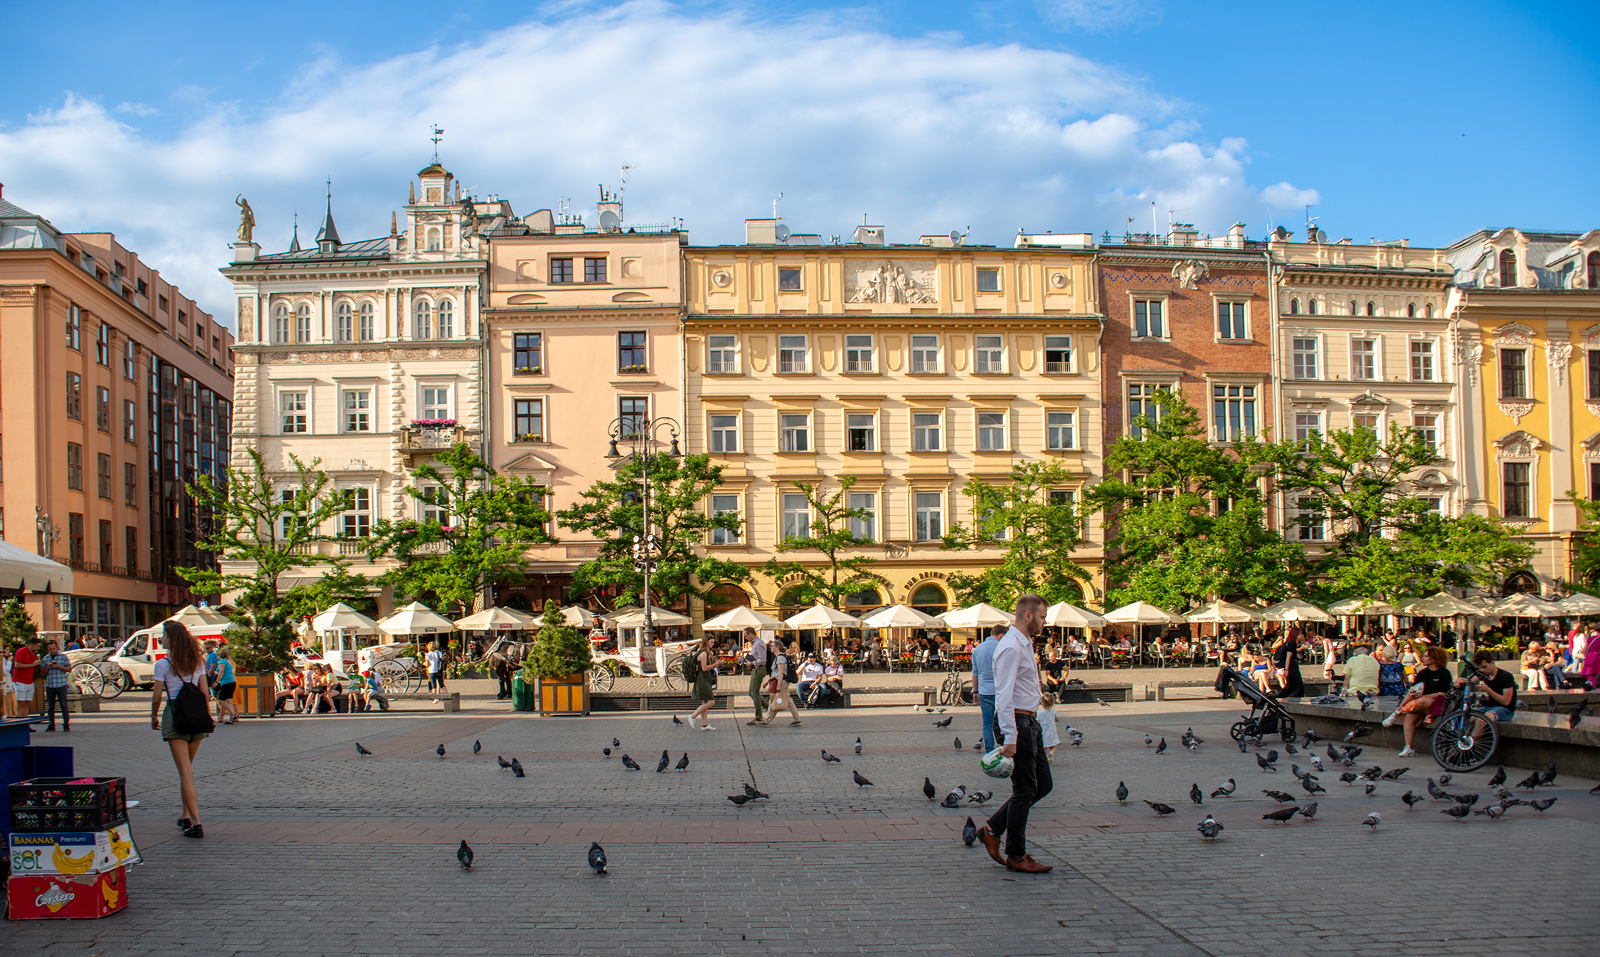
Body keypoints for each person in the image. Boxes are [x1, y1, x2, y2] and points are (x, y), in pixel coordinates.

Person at [975, 593, 1052, 874]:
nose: (1045, 622)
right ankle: (1016, 855)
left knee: (1042, 785)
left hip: (1029, 721)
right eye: (1042, 617)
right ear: (1028, 615)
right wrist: (1010, 737)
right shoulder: (1011, 647)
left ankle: (993, 828)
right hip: (1018, 722)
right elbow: (1003, 695)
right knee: (1025, 790)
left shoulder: (1024, 643)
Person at [150, 621, 209, 839]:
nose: (161, 639)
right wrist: (206, 716)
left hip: (176, 715)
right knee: (187, 770)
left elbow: (157, 696)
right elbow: (204, 691)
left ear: (171, 639)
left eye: (163, 636)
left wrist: (153, 715)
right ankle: (185, 815)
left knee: (185, 772)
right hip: (197, 717)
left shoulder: (163, 664)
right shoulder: (198, 661)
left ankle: (196, 823)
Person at [1386, 646, 1454, 758]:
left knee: (1423, 701)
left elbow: (1443, 693)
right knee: (1409, 717)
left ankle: (1398, 712)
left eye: (1426, 656)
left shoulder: (1444, 673)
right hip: (1418, 704)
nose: (1423, 658)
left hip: (1434, 703)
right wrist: (1415, 695)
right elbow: (1415, 689)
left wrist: (1423, 696)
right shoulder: (1422, 673)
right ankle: (1408, 747)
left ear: (1435, 658)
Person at [1461, 650, 1518, 731]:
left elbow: (1506, 701)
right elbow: (1470, 681)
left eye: (1484, 667)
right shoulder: (1484, 674)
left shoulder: (1506, 676)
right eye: (1480, 668)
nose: (1482, 670)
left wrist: (1488, 689)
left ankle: (1471, 742)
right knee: (1469, 717)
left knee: (1482, 719)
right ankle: (1463, 739)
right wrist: (1461, 680)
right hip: (1489, 707)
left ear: (1492, 662)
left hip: (1505, 709)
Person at [971, 624, 1003, 752]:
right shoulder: (1001, 647)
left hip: (984, 691)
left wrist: (975, 691)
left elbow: (975, 673)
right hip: (1000, 690)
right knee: (1003, 721)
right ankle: (1005, 746)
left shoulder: (977, 650)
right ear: (1001, 635)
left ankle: (989, 749)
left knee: (987, 722)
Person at [759, 641, 802, 727]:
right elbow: (776, 673)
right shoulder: (778, 657)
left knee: (774, 700)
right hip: (780, 681)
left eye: (772, 646)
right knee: (788, 700)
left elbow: (781, 672)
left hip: (781, 682)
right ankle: (796, 719)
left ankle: (767, 720)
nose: (770, 647)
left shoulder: (780, 658)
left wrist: (778, 684)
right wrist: (768, 681)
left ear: (777, 647)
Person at [40, 638, 73, 732]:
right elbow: (41, 672)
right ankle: (51, 725)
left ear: (57, 648)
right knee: (50, 706)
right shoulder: (46, 658)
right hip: (50, 685)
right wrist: (47, 667)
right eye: (50, 649)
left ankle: (66, 724)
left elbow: (69, 669)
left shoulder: (63, 657)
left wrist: (59, 667)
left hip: (61, 684)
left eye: (53, 649)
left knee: (64, 705)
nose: (52, 651)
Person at [689, 634, 718, 730]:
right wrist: (715, 664)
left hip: (702, 678)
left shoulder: (701, 652)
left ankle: (704, 725)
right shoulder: (704, 653)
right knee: (711, 702)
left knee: (705, 702)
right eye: (711, 642)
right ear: (706, 642)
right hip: (702, 679)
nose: (713, 644)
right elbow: (704, 668)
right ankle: (692, 716)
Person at [744, 627, 769, 725]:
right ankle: (769, 708)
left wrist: (752, 663)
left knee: (754, 693)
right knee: (752, 692)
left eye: (746, 635)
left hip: (759, 669)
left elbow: (762, 659)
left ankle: (759, 717)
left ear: (750, 634)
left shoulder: (758, 643)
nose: (745, 638)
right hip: (757, 669)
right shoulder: (757, 643)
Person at [1272, 629, 1304, 698]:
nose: (1301, 635)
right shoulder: (1291, 644)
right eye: (1300, 634)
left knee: (1290, 686)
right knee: (1297, 684)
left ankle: (1276, 697)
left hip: (1290, 666)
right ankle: (1298, 698)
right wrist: (1286, 669)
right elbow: (1288, 657)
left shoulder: (1288, 643)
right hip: (1291, 666)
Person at [11, 637, 38, 719]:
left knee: (27, 702)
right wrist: (31, 665)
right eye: (37, 646)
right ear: (31, 644)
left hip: (29, 680)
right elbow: (17, 665)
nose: (38, 648)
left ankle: (25, 721)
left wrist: (37, 664)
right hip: (20, 680)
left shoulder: (34, 654)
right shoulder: (21, 651)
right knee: (21, 702)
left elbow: (33, 667)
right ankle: (19, 721)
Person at [213, 647, 238, 724]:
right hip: (232, 682)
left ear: (219, 655)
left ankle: (233, 713)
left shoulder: (222, 661)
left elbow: (221, 671)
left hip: (226, 683)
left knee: (221, 700)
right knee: (229, 699)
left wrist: (217, 681)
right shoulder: (228, 662)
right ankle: (231, 718)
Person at [1037, 691, 1061, 763]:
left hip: (1042, 733)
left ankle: (1044, 759)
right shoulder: (1053, 711)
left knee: (1043, 747)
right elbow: (1058, 719)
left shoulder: (1039, 712)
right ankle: (1050, 754)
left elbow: (1037, 722)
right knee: (1053, 746)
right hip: (1052, 732)